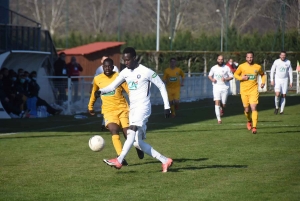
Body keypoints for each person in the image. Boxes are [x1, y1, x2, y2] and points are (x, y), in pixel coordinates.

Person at [98, 47, 173, 173]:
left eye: (128, 60)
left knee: (131, 130)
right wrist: (100, 91)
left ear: (134, 58)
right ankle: (165, 160)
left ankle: (119, 160)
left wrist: (167, 106)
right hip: (132, 109)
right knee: (137, 143)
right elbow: (112, 86)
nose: (126, 62)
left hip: (143, 107)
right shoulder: (125, 72)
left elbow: (161, 85)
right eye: (124, 60)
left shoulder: (146, 71)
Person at [88, 58, 144, 165]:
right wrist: (90, 106)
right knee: (114, 130)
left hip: (123, 109)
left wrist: (136, 103)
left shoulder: (119, 77)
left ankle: (138, 146)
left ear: (113, 67)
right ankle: (120, 158)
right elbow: (94, 93)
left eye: (110, 66)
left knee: (128, 133)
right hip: (108, 111)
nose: (107, 68)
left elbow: (129, 91)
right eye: (105, 66)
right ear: (102, 67)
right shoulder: (97, 79)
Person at [234, 51, 266, 134]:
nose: (249, 59)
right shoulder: (242, 66)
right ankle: (249, 121)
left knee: (254, 108)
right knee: (247, 110)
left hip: (253, 90)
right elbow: (235, 75)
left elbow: (263, 74)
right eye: (248, 57)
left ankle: (254, 127)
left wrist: (263, 82)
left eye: (251, 57)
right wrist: (242, 78)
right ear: (246, 58)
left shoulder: (257, 67)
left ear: (253, 57)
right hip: (244, 91)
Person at [89, 55, 119, 130]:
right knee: (105, 106)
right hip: (102, 91)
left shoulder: (115, 68)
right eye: (104, 59)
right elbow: (95, 80)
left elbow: (119, 78)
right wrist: (92, 88)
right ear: (101, 61)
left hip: (114, 91)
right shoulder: (99, 69)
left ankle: (113, 122)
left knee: (115, 107)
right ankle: (105, 123)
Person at [208, 55, 233, 124]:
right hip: (216, 87)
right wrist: (212, 79)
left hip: (224, 87)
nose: (220, 61)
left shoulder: (226, 68)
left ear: (223, 60)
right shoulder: (213, 68)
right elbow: (209, 75)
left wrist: (225, 79)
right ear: (217, 60)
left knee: (223, 104)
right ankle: (219, 119)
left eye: (221, 59)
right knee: (217, 102)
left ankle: (222, 107)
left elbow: (231, 76)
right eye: (219, 59)